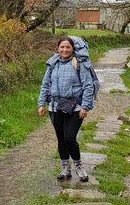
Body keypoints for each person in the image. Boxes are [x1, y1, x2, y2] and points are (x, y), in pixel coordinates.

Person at [38, 35, 95, 182]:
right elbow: (45, 85)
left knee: (70, 138)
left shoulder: (80, 64)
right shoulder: (53, 63)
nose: (64, 50)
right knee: (61, 139)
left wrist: (85, 107)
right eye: (62, 47)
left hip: (75, 107)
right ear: (58, 48)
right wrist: (41, 104)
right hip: (55, 107)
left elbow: (88, 86)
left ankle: (79, 166)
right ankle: (65, 168)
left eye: (67, 47)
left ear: (73, 49)